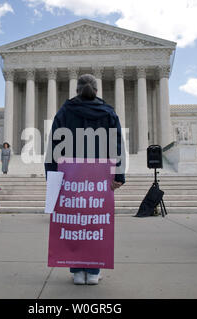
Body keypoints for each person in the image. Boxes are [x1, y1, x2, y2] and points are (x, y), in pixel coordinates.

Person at [45, 74, 125, 285]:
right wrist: (119, 174)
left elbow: (54, 145)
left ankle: (77, 271)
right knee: (95, 222)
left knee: (74, 220)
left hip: (70, 175)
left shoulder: (64, 112)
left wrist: (51, 174)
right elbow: (117, 145)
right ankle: (93, 271)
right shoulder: (108, 112)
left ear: (77, 90)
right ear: (96, 91)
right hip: (100, 176)